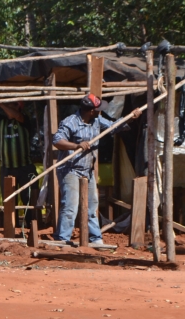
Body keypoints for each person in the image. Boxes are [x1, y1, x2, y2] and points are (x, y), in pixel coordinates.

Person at [52, 94, 140, 247]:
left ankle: (95, 238)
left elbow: (114, 126)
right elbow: (57, 141)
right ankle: (62, 239)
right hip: (70, 170)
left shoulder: (97, 121)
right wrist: (76, 146)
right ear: (91, 111)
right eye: (98, 109)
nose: (100, 112)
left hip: (87, 170)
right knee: (70, 206)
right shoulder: (70, 122)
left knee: (92, 205)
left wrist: (131, 117)